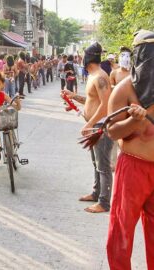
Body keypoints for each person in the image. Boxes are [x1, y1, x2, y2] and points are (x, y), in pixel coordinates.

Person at [106, 29, 154, 270]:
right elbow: (112, 132)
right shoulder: (124, 89)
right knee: (122, 228)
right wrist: (134, 121)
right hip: (133, 167)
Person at [63, 42, 113, 213]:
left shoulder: (100, 76)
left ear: (89, 57)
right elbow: (92, 101)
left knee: (103, 165)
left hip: (101, 126)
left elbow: (105, 106)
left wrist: (90, 123)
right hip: (94, 126)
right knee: (96, 163)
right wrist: (73, 97)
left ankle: (104, 202)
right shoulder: (93, 76)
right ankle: (96, 192)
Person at [109, 46, 132, 171]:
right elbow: (109, 89)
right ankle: (113, 164)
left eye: (127, 56)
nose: (125, 58)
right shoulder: (114, 73)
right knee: (114, 135)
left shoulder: (134, 73)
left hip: (130, 110)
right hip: (116, 110)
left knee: (127, 137)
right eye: (122, 55)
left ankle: (125, 160)